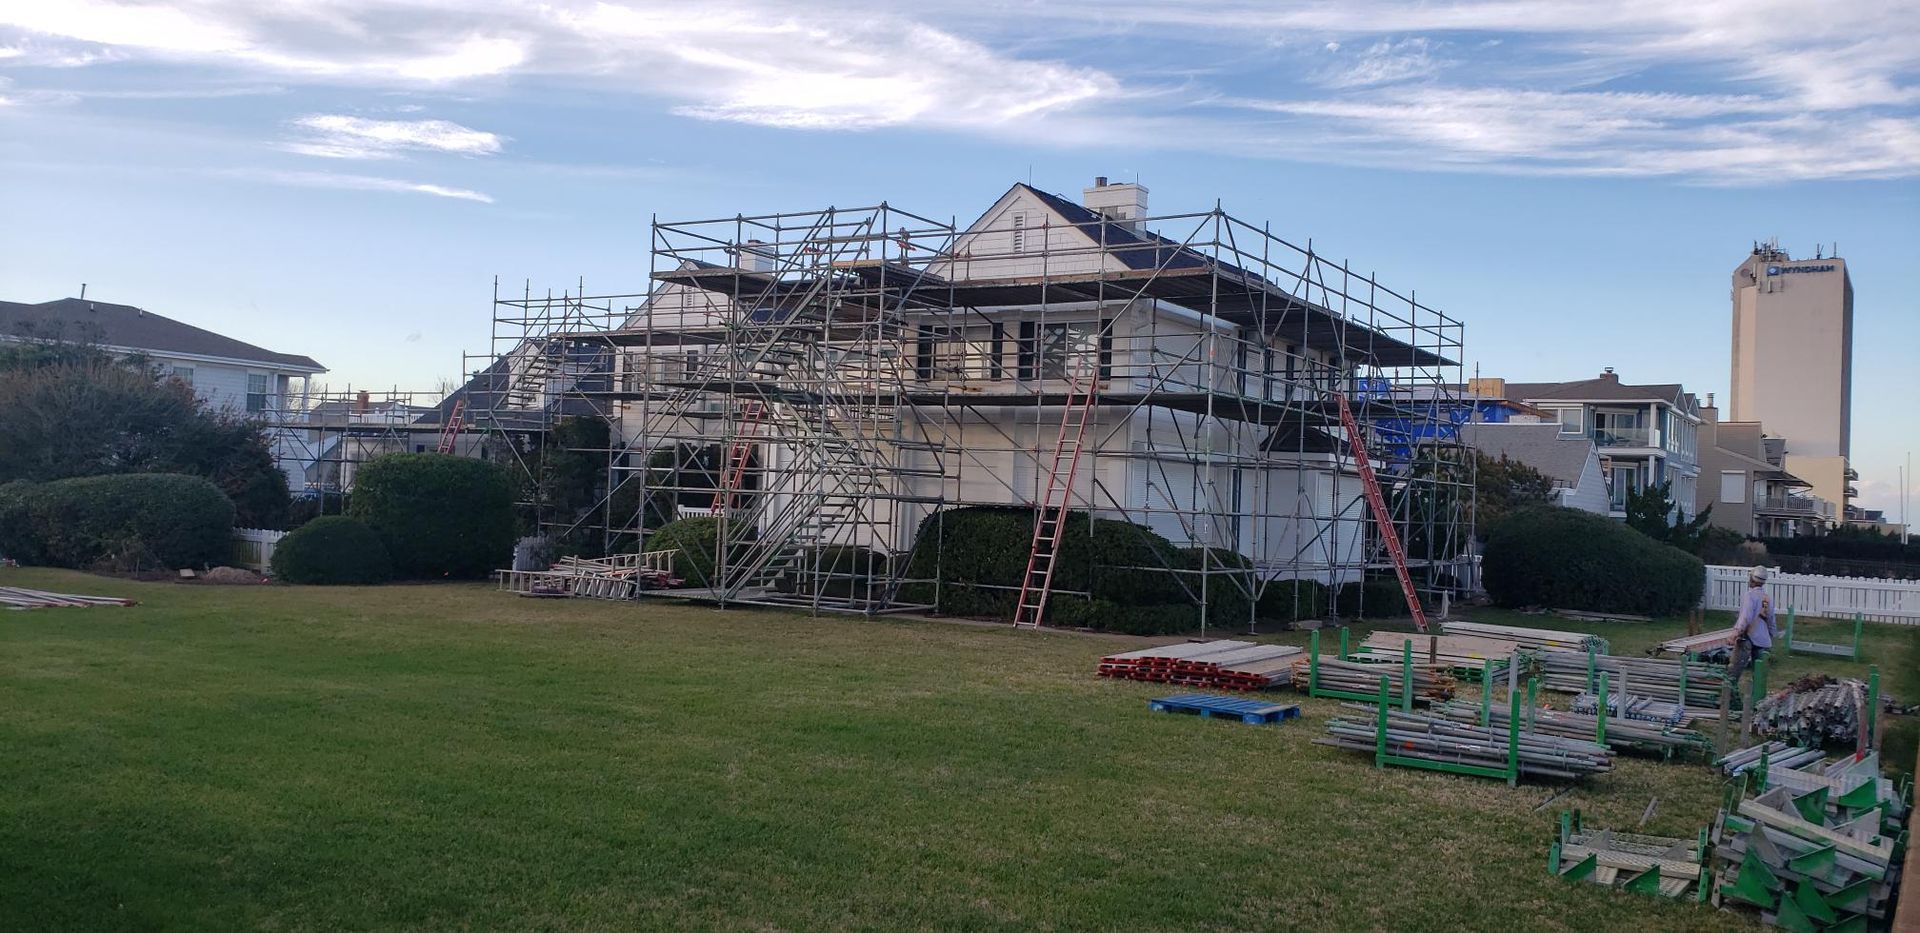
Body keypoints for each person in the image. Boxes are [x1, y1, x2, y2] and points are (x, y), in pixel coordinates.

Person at [1728, 567, 1776, 698]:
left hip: (1747, 638)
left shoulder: (1749, 595)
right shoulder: (1767, 598)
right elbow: (1771, 619)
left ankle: (1729, 698)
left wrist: (1735, 632)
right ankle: (1757, 701)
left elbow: (1746, 617)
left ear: (1752, 579)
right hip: (1763, 641)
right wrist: (1772, 635)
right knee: (1759, 675)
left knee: (1734, 671)